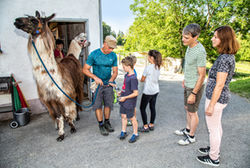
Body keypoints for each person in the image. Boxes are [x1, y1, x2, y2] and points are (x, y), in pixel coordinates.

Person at [196, 26, 240, 167]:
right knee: (216, 127)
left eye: (215, 36)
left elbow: (219, 85)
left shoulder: (224, 59)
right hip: (220, 98)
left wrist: (211, 105)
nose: (212, 38)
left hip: (217, 99)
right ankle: (214, 149)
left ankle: (213, 157)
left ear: (224, 39)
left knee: (213, 129)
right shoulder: (227, 56)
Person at [174, 23, 207, 145]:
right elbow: (189, 66)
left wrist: (194, 93)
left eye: (186, 37)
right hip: (188, 83)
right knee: (187, 108)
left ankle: (191, 137)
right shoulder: (189, 46)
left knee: (193, 112)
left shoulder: (200, 51)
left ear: (196, 37)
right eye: (183, 36)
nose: (183, 39)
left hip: (195, 87)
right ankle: (187, 130)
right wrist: (185, 78)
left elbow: (202, 75)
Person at [82, 35, 118, 136]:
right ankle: (101, 124)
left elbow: (115, 72)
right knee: (98, 105)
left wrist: (111, 80)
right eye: (109, 47)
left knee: (108, 104)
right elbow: (85, 69)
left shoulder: (113, 56)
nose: (111, 50)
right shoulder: (94, 54)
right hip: (97, 85)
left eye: (112, 48)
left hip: (108, 84)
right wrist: (95, 78)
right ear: (104, 44)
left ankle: (107, 122)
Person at [138, 50, 162, 132]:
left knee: (142, 108)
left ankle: (145, 126)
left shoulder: (148, 68)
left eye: (148, 56)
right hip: (155, 90)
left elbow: (142, 79)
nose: (147, 57)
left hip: (148, 91)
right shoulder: (158, 66)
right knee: (152, 107)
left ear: (151, 57)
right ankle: (151, 124)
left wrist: (142, 79)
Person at [118, 56, 139, 143]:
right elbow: (126, 87)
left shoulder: (133, 78)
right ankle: (124, 131)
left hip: (129, 102)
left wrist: (125, 97)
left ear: (129, 66)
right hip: (123, 99)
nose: (123, 68)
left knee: (132, 117)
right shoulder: (126, 75)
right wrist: (121, 92)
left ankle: (135, 133)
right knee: (123, 116)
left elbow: (135, 93)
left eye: (124, 67)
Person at [127, 55, 137, 126]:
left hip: (131, 91)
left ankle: (132, 119)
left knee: (132, 106)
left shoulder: (132, 73)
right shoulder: (133, 71)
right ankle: (133, 118)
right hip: (131, 90)